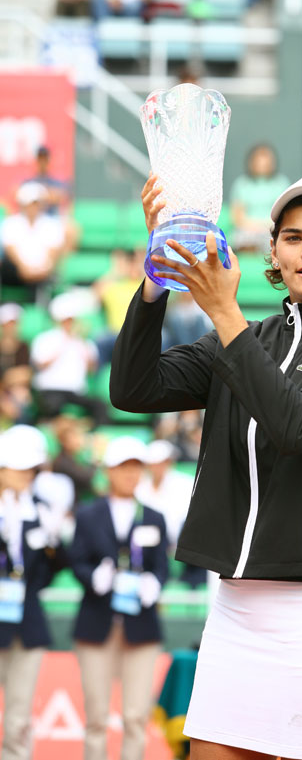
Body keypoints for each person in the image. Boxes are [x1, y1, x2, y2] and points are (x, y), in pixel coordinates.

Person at [110, 172, 302, 760]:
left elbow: (297, 426)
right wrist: (155, 278)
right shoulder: (249, 337)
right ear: (273, 252)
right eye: (293, 237)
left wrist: (224, 314)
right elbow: (133, 388)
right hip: (239, 607)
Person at [70, 435, 168, 760]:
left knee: (135, 716)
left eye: (136, 468)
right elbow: (77, 560)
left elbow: (161, 566)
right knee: (96, 717)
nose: (131, 475)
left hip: (141, 626)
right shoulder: (88, 515)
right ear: (109, 471)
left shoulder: (154, 516)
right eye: (124, 467)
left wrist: (155, 581)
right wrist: (92, 576)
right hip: (97, 623)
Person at [0, 425, 67, 760]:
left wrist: (53, 542)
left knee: (18, 713)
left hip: (26, 623)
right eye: (18, 467)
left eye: (30, 469)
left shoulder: (40, 510)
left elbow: (48, 574)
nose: (26, 475)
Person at [30, 291, 107, 426]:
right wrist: (65, 341)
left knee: (99, 406)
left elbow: (92, 369)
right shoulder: (45, 339)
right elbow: (41, 365)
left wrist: (80, 342)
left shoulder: (84, 342)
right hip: (50, 389)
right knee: (53, 405)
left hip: (74, 392)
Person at [0, 182, 66, 301]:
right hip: (15, 272)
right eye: (30, 203)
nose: (33, 207)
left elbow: (53, 252)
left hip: (43, 273)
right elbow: (10, 250)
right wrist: (23, 268)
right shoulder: (11, 223)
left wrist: (44, 268)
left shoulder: (52, 225)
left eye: (36, 203)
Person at [229, 144, 290, 252]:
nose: (262, 165)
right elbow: (237, 218)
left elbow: (285, 215)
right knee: (239, 239)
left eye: (266, 161)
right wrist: (253, 228)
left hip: (272, 230)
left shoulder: (281, 183)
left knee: (280, 239)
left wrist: (266, 227)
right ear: (251, 163)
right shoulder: (241, 184)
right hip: (247, 231)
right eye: (258, 161)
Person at [136, 439, 194, 548]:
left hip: (178, 543)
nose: (157, 467)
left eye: (162, 463)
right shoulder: (140, 487)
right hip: (146, 543)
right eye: (154, 464)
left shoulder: (185, 484)